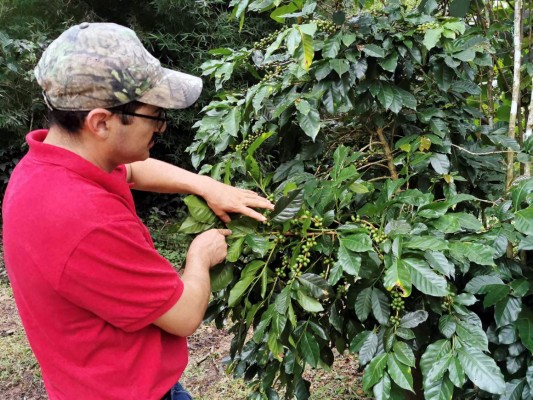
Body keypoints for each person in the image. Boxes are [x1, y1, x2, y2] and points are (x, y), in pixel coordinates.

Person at [2, 22, 273, 400]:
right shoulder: (86, 221)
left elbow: (132, 171)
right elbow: (183, 316)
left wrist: (210, 186)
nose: (161, 127)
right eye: (155, 115)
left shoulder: (45, 168)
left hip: (92, 382)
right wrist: (199, 256)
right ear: (101, 122)